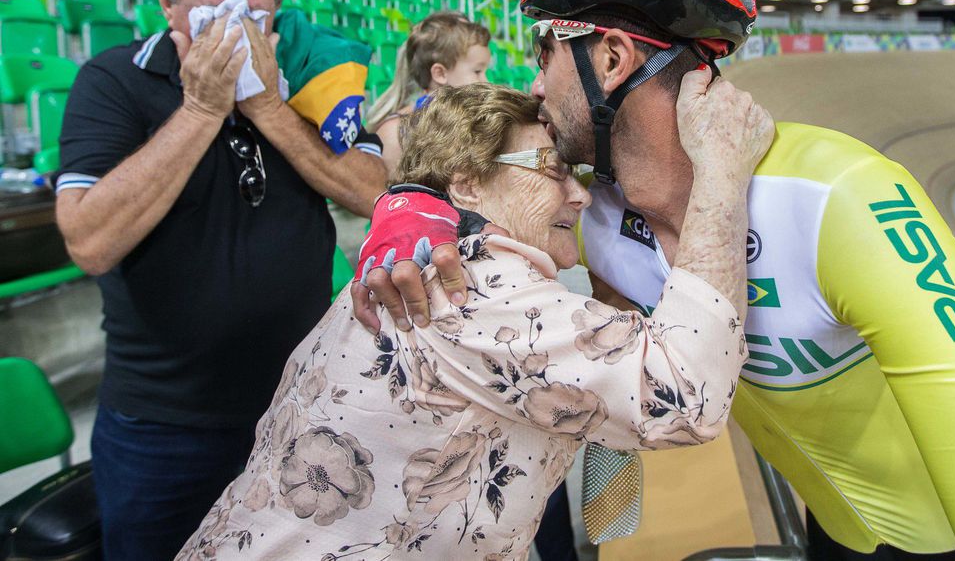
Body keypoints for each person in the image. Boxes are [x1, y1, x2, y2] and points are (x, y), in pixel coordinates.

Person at [355, 0, 955, 560]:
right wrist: (411, 209)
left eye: (545, 51)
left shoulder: (838, 198)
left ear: (612, 58)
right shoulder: (593, 213)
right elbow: (461, 163)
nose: (533, 82)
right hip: (839, 538)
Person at [176, 80, 772, 559]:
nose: (582, 196)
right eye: (553, 167)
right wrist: (721, 171)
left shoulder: (436, 258)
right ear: (465, 184)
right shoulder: (469, 287)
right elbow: (685, 396)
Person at [54, 0, 386, 559]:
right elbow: (90, 242)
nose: (234, 36)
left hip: (300, 401)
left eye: (253, 19)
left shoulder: (310, 72)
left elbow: (373, 193)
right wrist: (203, 108)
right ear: (165, 5)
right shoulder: (114, 80)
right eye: (211, 19)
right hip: (165, 422)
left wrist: (265, 104)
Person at [366, 11, 492, 178]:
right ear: (440, 74)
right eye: (477, 71)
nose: (487, 81)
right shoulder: (397, 132)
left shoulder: (481, 124)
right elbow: (383, 198)